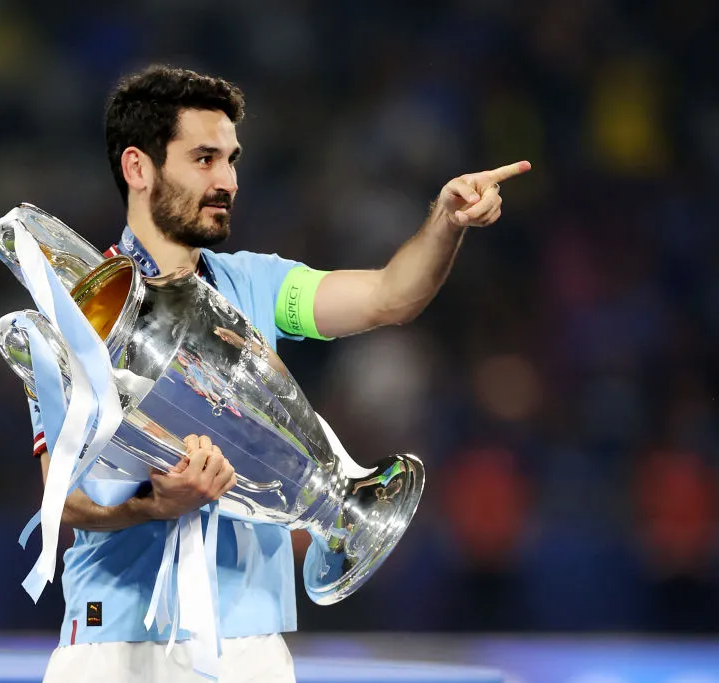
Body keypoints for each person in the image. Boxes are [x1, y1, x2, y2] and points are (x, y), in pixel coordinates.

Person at [29, 64, 531, 683]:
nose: (229, 181)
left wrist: (446, 221)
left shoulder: (254, 284)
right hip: (115, 641)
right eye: (204, 159)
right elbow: (64, 495)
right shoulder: (83, 317)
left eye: (232, 160)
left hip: (248, 644)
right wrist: (159, 502)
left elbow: (388, 296)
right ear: (139, 168)